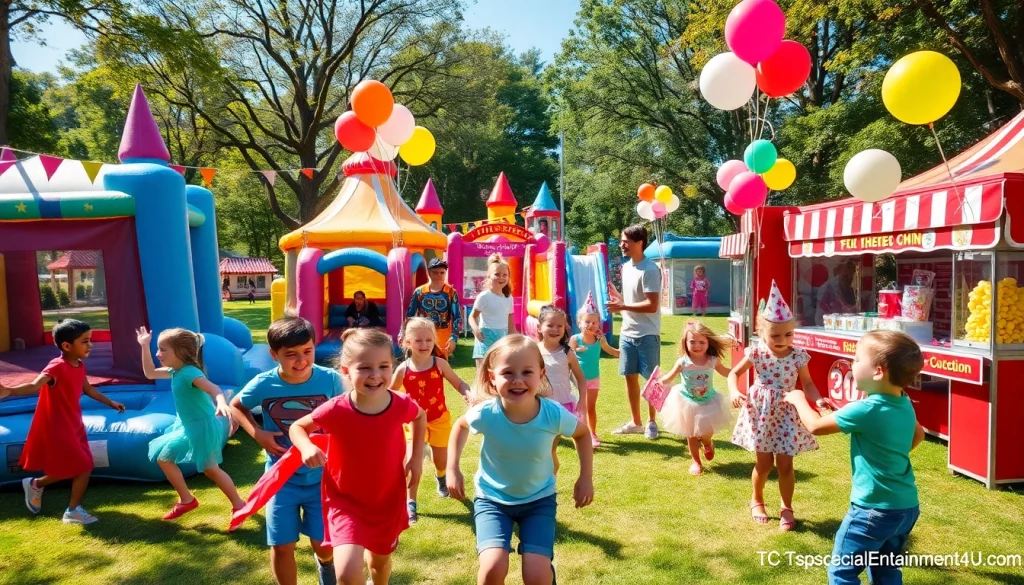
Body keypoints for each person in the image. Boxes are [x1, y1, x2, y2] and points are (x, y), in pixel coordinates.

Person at [447, 335, 594, 585]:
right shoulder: (486, 413)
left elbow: (582, 434)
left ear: (541, 374)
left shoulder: (552, 413)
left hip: (538, 500)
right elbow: (460, 426)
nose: (517, 380)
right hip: (492, 500)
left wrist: (585, 478)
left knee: (536, 575)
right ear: (492, 377)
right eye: (508, 373)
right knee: (492, 569)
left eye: (527, 372)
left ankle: (546, 571)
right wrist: (452, 469)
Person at [784, 330, 925, 585]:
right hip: (905, 508)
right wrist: (891, 454)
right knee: (886, 570)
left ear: (878, 372)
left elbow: (815, 427)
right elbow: (919, 434)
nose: (851, 364)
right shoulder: (903, 401)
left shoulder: (865, 408)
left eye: (857, 360)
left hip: (872, 511)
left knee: (842, 573)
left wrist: (798, 399)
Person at [289, 328, 427, 585]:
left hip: (386, 501)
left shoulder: (399, 404)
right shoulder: (335, 409)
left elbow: (420, 416)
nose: (375, 375)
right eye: (364, 368)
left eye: (383, 366)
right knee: (347, 574)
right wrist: (306, 447)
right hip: (345, 503)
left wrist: (415, 455)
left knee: (380, 563)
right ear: (346, 371)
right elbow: (297, 427)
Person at [230, 317, 343, 585]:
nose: (301, 360)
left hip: (322, 479)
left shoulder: (331, 380)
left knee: (324, 546)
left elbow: (346, 415)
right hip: (282, 480)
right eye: (291, 355)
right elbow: (236, 406)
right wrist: (257, 433)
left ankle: (326, 565)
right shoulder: (264, 383)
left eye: (307, 351)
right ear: (274, 354)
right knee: (282, 545)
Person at [0, 319, 125, 524]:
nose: (90, 345)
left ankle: (37, 484)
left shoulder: (79, 364)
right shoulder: (56, 367)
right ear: (67, 346)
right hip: (57, 426)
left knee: (83, 465)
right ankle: (72, 510)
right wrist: (10, 391)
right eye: (85, 341)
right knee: (83, 465)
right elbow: (34, 385)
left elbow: (88, 388)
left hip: (74, 424)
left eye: (90, 340)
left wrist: (110, 402)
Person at [728, 281, 829, 531]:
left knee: (785, 464)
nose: (783, 340)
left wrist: (818, 400)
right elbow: (733, 374)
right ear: (762, 332)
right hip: (761, 412)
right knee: (764, 464)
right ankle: (757, 499)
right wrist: (733, 391)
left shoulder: (798, 355)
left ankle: (786, 506)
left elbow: (807, 383)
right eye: (775, 335)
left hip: (787, 412)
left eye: (788, 334)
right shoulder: (757, 353)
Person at [137, 326, 246, 521]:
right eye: (157, 349)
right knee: (164, 458)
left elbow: (214, 389)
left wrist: (221, 403)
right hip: (188, 425)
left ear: (181, 352)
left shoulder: (189, 373)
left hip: (201, 426)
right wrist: (144, 346)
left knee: (210, 469)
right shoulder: (175, 371)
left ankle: (239, 505)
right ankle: (187, 500)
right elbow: (150, 373)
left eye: (162, 349)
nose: (158, 353)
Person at [389, 317, 471, 524]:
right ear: (407, 342)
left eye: (428, 340)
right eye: (418, 340)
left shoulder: (440, 364)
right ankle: (411, 503)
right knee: (410, 461)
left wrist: (467, 392)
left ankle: (441, 476)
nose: (424, 345)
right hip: (413, 422)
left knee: (440, 459)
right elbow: (390, 394)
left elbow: (458, 382)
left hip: (439, 419)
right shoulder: (402, 370)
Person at [608, 224, 662, 440]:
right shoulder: (627, 267)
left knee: (651, 380)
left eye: (626, 241)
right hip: (627, 333)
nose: (622, 245)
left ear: (639, 243)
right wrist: (619, 299)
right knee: (629, 377)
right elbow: (632, 301)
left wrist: (622, 307)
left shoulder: (650, 269)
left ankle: (652, 422)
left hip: (648, 333)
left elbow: (651, 305)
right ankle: (636, 422)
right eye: (622, 241)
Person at [658, 321, 733, 476]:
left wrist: (739, 371)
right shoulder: (683, 362)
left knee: (706, 432)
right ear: (685, 342)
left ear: (708, 342)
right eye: (692, 342)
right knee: (691, 434)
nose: (697, 346)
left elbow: (726, 372)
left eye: (701, 342)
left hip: (708, 401)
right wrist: (660, 381)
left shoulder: (712, 360)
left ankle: (707, 443)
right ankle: (696, 462)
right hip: (686, 402)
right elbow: (669, 378)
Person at [535, 305, 588, 475]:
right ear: (539, 327)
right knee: (542, 448)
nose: (555, 329)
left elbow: (580, 378)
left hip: (561, 406)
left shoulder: (567, 353)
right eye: (550, 325)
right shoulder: (533, 351)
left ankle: (549, 479)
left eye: (560, 326)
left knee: (550, 447)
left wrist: (582, 401)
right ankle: (544, 478)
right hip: (539, 406)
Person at [569, 292, 620, 447]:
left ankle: (592, 433)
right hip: (579, 378)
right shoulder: (575, 339)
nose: (591, 325)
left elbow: (610, 350)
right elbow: (568, 355)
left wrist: (623, 354)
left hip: (594, 378)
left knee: (591, 407)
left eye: (594, 322)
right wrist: (577, 350)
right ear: (579, 323)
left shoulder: (599, 339)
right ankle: (581, 433)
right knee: (581, 406)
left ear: (599, 324)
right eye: (587, 322)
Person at [405, 258, 463, 358]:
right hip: (423, 333)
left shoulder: (450, 292)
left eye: (442, 272)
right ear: (429, 273)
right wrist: (406, 334)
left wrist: (454, 338)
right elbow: (410, 315)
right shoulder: (419, 292)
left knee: (441, 364)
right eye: (435, 272)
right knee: (422, 361)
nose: (439, 275)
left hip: (443, 334)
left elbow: (457, 317)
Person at [469, 253, 517, 368]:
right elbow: (472, 316)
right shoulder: (484, 296)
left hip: (502, 336)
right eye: (497, 274)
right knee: (483, 370)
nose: (501, 277)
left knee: (500, 369)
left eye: (505, 275)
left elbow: (511, 324)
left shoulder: (508, 298)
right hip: (486, 336)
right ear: (489, 276)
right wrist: (476, 330)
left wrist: (516, 338)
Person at [815, 259, 859, 325]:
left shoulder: (849, 289)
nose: (852, 277)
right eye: (852, 274)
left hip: (843, 323)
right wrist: (855, 308)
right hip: (826, 324)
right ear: (844, 274)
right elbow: (844, 308)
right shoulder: (828, 288)